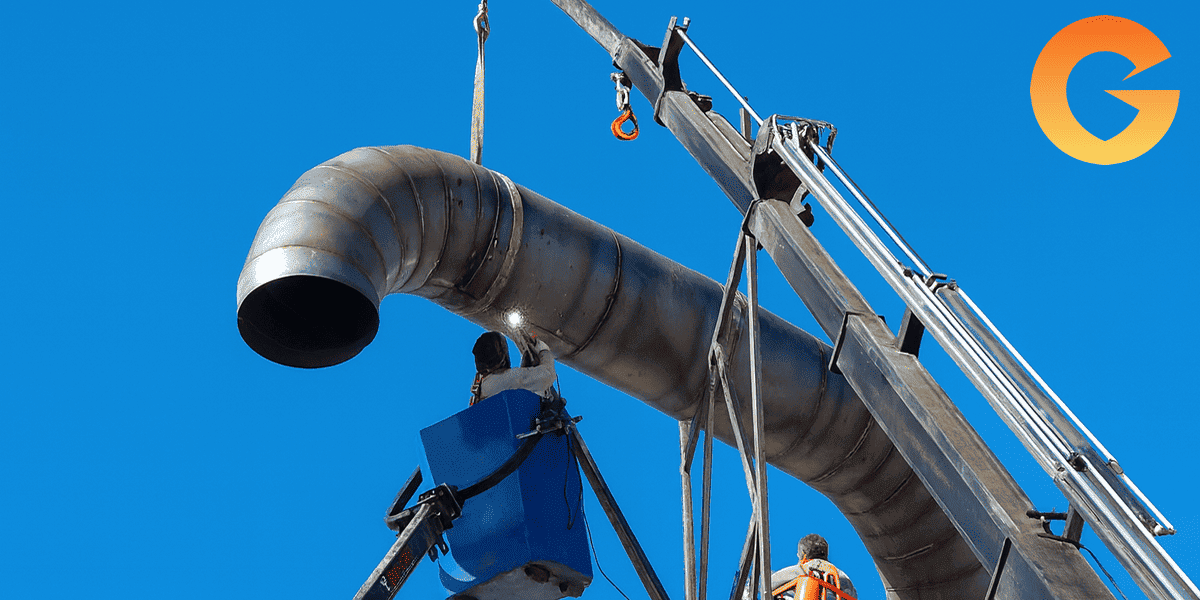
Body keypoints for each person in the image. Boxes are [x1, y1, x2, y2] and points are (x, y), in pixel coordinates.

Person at [469, 331, 556, 405]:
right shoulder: (506, 379)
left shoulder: (485, 385)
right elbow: (548, 375)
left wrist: (524, 367)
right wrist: (544, 351)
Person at [769, 534, 856, 600]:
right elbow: (853, 595)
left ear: (803, 554)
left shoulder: (801, 570)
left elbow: (769, 584)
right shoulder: (841, 576)